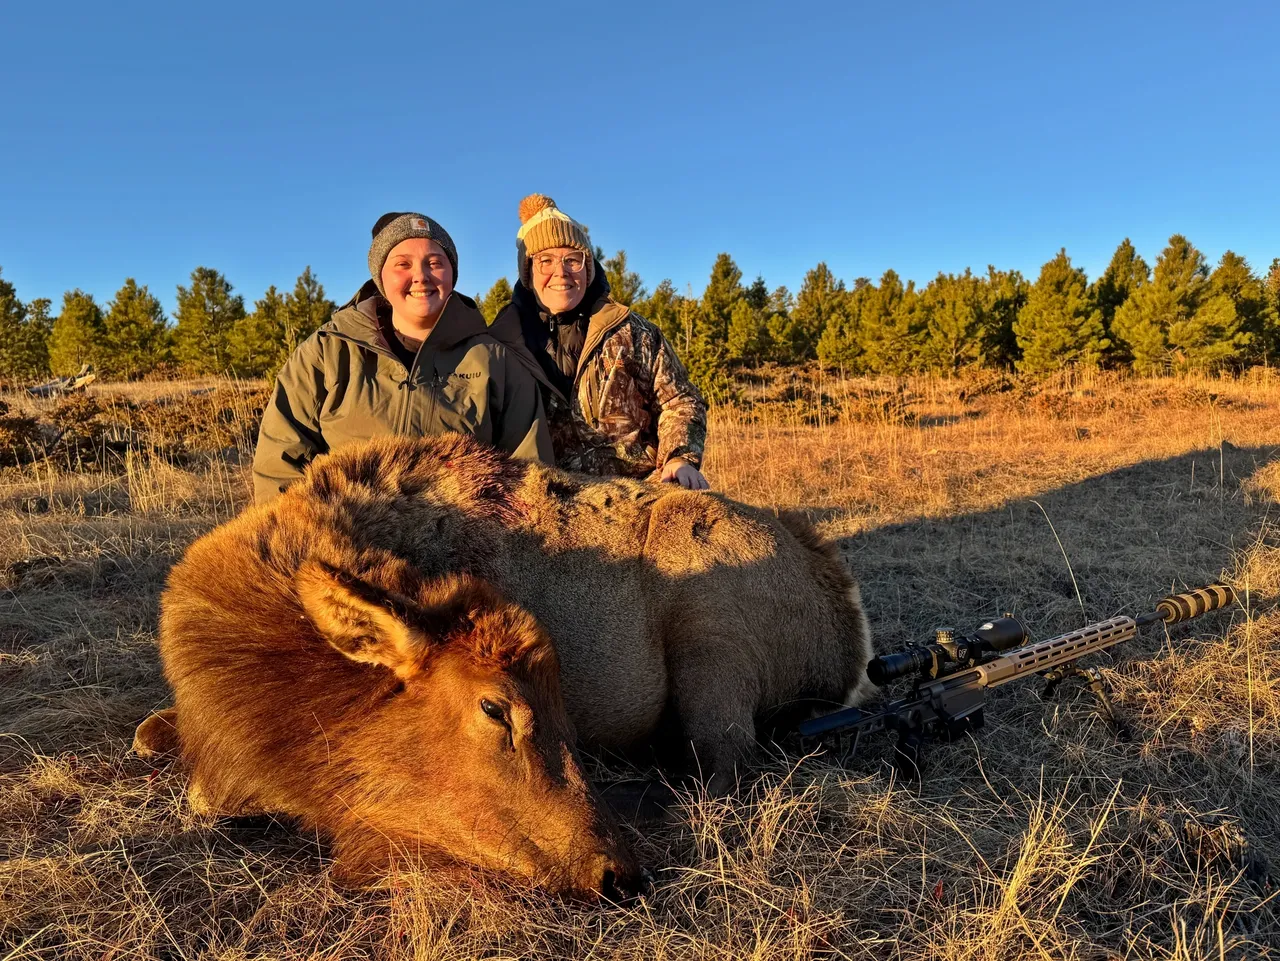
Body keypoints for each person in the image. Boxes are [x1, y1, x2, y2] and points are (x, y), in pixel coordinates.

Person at [252, 212, 553, 503]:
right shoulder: (327, 352)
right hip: (343, 543)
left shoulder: (494, 361)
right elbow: (280, 464)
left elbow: (530, 474)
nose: (420, 276)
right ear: (380, 277)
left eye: (435, 263)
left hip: (462, 547)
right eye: (402, 264)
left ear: (452, 274)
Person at [497, 194, 709, 489]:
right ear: (528, 271)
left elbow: (679, 400)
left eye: (573, 259)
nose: (561, 272)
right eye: (546, 260)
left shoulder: (633, 332)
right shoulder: (499, 342)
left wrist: (678, 459)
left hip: (637, 492)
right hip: (544, 501)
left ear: (588, 268)